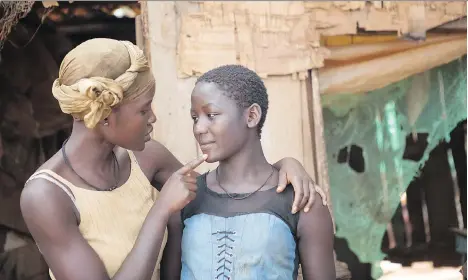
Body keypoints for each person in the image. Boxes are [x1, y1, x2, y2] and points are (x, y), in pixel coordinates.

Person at [19, 38, 326, 280]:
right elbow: (178, 203)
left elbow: (230, 188)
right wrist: (160, 209)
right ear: (105, 117)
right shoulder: (46, 196)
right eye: (143, 110)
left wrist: (287, 166)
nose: (153, 118)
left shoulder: (145, 157)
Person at [175, 65, 335, 279]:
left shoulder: (301, 202)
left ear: (251, 116)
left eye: (211, 115)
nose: (198, 128)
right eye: (195, 117)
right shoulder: (186, 198)